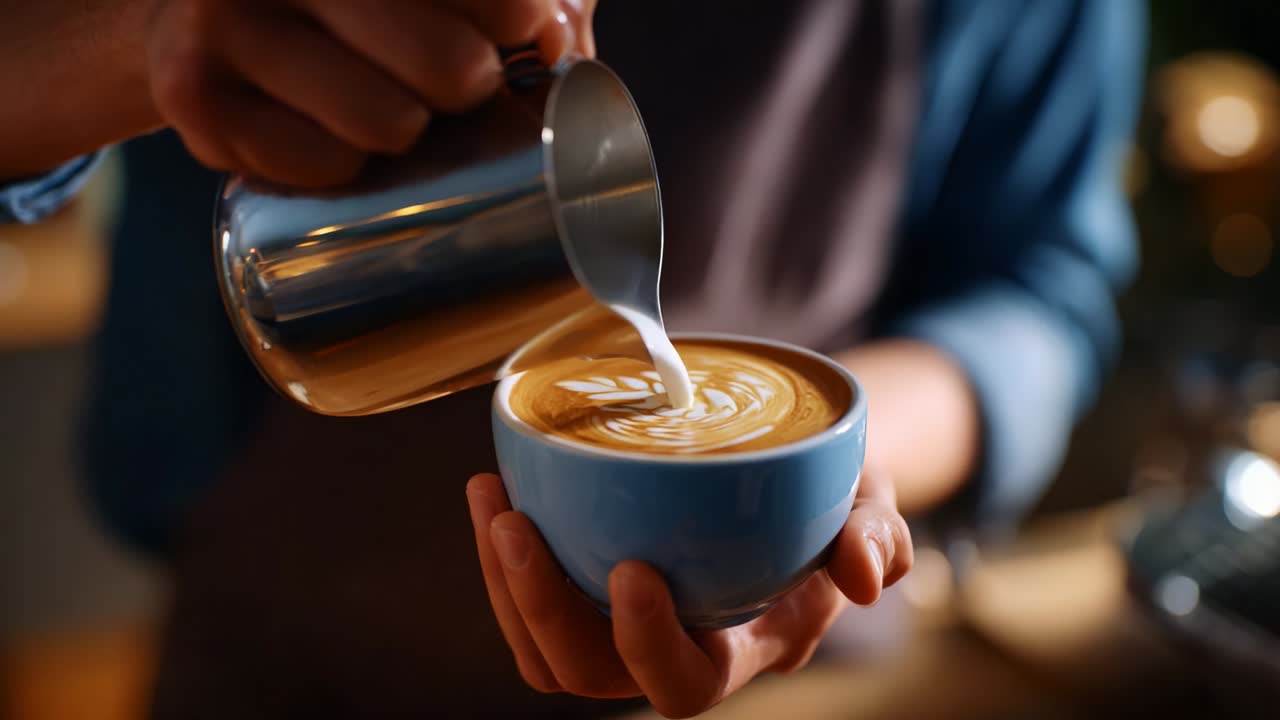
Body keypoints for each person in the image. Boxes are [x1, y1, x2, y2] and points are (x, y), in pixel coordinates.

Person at [0, 0, 1145, 717]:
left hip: (795, 687)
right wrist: (135, 30)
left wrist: (811, 486)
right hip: (289, 659)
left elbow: (1037, 292)